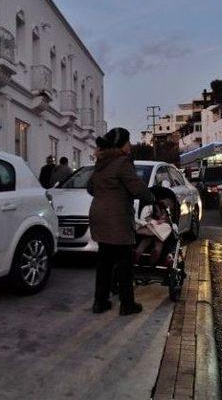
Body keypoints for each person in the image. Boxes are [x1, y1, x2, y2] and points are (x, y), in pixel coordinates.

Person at [87, 127, 154, 316]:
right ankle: (127, 304)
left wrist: (106, 193)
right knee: (125, 263)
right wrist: (151, 198)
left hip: (99, 216)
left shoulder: (101, 162)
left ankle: (100, 302)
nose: (130, 145)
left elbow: (90, 187)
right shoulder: (122, 162)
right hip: (117, 219)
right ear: (121, 144)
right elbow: (137, 189)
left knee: (104, 262)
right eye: (128, 141)